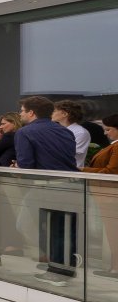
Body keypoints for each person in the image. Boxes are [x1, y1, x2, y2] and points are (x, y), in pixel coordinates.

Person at [13, 97, 79, 286]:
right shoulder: (65, 131)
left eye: (23, 111)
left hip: (46, 186)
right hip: (72, 185)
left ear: (32, 113)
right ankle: (63, 267)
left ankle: (58, 269)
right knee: (64, 229)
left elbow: (27, 166)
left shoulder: (25, 132)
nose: (20, 114)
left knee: (28, 225)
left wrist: (17, 168)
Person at [82, 115, 118, 279]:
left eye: (109, 129)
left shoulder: (116, 147)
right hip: (108, 195)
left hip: (110, 195)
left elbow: (111, 172)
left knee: (113, 233)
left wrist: (81, 170)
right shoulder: (113, 146)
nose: (106, 133)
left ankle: (116, 268)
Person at [54, 100, 92, 168]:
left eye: (54, 111)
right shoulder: (56, 130)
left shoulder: (80, 132)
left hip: (71, 173)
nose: (51, 113)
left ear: (65, 114)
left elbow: (71, 153)